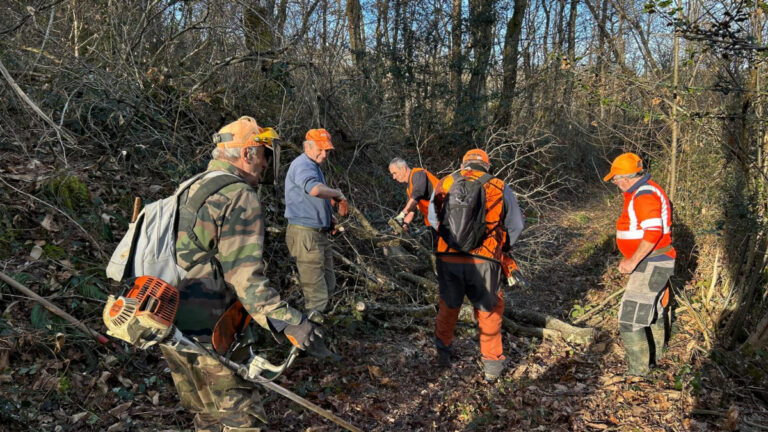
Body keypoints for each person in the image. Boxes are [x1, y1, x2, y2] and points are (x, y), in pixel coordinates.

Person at [159, 116, 323, 432]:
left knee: (208, 416)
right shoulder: (238, 195)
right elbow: (244, 277)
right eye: (264, 154)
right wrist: (290, 321)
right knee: (243, 421)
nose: (266, 163)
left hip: (169, 321)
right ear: (247, 154)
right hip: (209, 328)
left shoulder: (190, 187)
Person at [428, 149, 524, 381]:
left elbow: (432, 219)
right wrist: (504, 249)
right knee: (488, 311)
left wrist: (451, 242)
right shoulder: (499, 186)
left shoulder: (445, 182)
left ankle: (443, 355)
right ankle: (492, 367)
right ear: (487, 166)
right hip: (486, 259)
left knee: (448, 306)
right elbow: (516, 225)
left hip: (448, 257)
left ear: (463, 164)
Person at [603, 152, 676, 377]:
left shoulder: (644, 195)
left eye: (615, 179)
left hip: (652, 262)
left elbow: (653, 232)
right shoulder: (644, 191)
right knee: (652, 310)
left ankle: (638, 374)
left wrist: (632, 260)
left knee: (630, 317)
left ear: (625, 178)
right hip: (654, 260)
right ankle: (657, 359)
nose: (614, 183)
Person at [284, 128, 348, 316]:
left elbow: (312, 197)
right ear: (307, 147)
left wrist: (329, 219)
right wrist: (337, 194)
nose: (324, 154)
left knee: (329, 284)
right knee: (317, 297)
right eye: (320, 149)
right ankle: (311, 340)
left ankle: (322, 328)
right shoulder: (303, 165)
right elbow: (313, 189)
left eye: (327, 150)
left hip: (318, 233)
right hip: (306, 236)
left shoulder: (313, 166)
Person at [388, 157, 438, 236]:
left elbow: (417, 194)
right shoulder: (409, 189)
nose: (394, 177)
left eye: (395, 173)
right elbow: (410, 212)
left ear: (403, 169)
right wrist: (403, 226)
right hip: (436, 223)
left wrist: (402, 214)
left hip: (449, 214)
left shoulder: (418, 174)